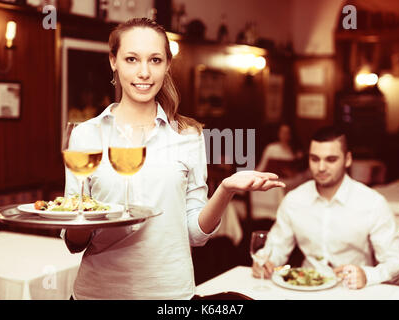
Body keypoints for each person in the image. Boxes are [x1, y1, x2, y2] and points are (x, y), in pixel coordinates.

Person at [61, 18, 285, 300]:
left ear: (167, 65)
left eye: (155, 60)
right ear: (113, 61)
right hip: (97, 294)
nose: (144, 72)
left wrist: (226, 189)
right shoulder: (86, 135)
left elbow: (195, 234)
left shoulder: (188, 136)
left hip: (171, 295)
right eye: (131, 59)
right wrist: (81, 218)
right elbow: (74, 242)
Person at [252, 126, 399, 289]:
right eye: (314, 159)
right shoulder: (293, 200)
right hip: (305, 291)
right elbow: (276, 248)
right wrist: (265, 262)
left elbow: (398, 262)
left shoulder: (372, 203)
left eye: (331, 159)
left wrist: (367, 275)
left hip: (354, 292)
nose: (321, 167)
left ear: (347, 159)